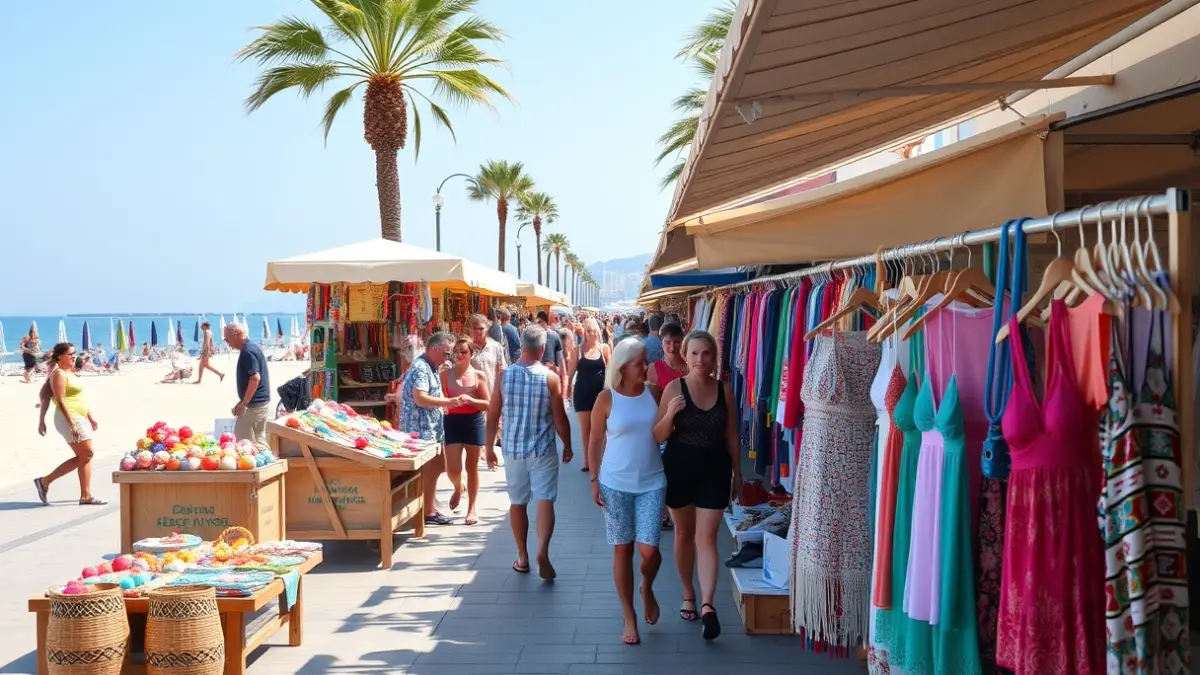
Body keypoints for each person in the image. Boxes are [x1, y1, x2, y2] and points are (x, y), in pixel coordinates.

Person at [653, 330, 740, 641]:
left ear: (713, 357)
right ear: (684, 357)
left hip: (715, 469)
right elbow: (659, 435)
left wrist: (738, 475)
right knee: (685, 534)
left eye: (706, 354)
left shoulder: (724, 390)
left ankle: (707, 605)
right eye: (694, 354)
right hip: (679, 468)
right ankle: (688, 592)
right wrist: (672, 413)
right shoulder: (673, 388)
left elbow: (731, 435)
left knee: (707, 537)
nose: (700, 359)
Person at [588, 338, 666, 645]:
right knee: (623, 548)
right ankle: (629, 615)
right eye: (638, 363)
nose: (644, 367)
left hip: (652, 480)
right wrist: (594, 480)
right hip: (614, 482)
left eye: (644, 361)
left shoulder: (654, 394)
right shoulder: (606, 399)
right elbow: (595, 441)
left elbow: (664, 432)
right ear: (623, 367)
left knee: (651, 551)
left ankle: (646, 585)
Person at [485, 325, 573, 579]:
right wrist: (567, 444)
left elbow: (493, 414)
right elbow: (559, 419)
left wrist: (489, 446)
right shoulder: (550, 378)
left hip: (513, 449)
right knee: (545, 500)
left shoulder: (504, 375)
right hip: (543, 449)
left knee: (517, 502)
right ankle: (543, 550)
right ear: (543, 348)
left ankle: (522, 556)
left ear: (521, 346)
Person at [391, 332, 464, 528]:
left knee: (437, 467)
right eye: (446, 353)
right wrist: (447, 402)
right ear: (434, 349)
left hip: (429, 429)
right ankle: (428, 511)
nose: (448, 358)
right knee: (430, 469)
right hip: (421, 431)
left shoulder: (430, 367)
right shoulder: (422, 368)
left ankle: (428, 507)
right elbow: (420, 398)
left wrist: (443, 406)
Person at [33, 343, 106, 505]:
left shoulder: (69, 372)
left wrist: (90, 416)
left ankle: (45, 482)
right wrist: (71, 423)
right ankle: (84, 495)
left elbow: (77, 398)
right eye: (70, 354)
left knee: (85, 455)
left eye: (74, 354)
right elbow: (60, 400)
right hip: (69, 418)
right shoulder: (58, 374)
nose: (74, 356)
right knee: (87, 454)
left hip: (79, 417)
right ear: (60, 356)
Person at [441, 337, 490, 526]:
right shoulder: (445, 374)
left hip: (473, 421)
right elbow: (440, 398)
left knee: (472, 468)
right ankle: (458, 486)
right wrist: (447, 403)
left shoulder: (479, 376)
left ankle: (471, 509)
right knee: (452, 469)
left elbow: (487, 404)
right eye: (457, 352)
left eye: (464, 352)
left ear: (471, 354)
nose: (459, 355)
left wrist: (470, 401)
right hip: (452, 421)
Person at [570, 318, 611, 473]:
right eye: (588, 330)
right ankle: (587, 460)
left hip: (600, 394)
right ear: (584, 333)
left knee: (602, 428)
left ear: (599, 331)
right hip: (582, 392)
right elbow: (571, 371)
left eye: (594, 330)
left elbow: (611, 370)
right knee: (585, 428)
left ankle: (603, 458)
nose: (592, 333)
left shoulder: (604, 348)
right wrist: (566, 388)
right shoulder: (578, 350)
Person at [222, 323, 271, 445]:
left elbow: (255, 378)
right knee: (257, 439)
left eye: (227, 339)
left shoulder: (248, 351)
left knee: (246, 442)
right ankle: (269, 461)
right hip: (257, 402)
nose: (226, 342)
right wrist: (241, 402)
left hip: (254, 405)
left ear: (236, 335)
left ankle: (269, 462)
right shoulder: (251, 348)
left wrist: (244, 403)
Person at [467, 313, 507, 390]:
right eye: (475, 328)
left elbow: (503, 371)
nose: (478, 332)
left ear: (487, 328)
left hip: (493, 392)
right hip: (474, 395)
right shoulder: (467, 348)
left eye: (481, 329)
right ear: (471, 329)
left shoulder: (496, 347)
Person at [647, 323, 686, 388]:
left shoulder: (690, 364)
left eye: (677, 342)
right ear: (661, 342)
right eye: (667, 342)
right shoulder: (653, 369)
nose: (672, 348)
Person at [535, 311, 564, 380]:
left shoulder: (553, 335)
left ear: (544, 321)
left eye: (538, 321)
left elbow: (559, 356)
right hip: (546, 370)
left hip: (545, 370)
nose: (537, 324)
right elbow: (559, 357)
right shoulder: (554, 335)